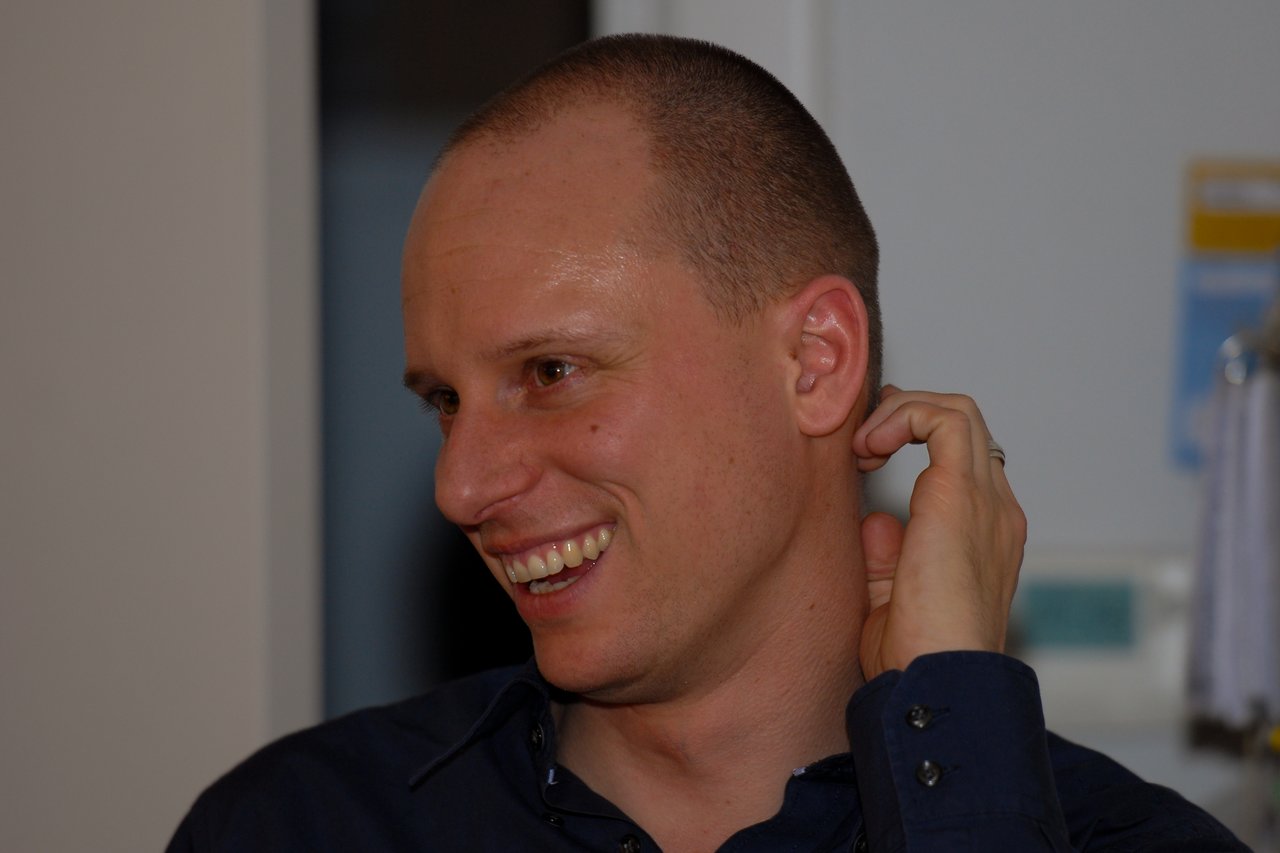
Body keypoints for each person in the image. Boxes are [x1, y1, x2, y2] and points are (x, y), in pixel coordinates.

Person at [168, 34, 1244, 851]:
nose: (460, 484)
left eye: (550, 373)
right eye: (444, 399)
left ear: (813, 362)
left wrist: (952, 754)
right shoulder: (301, 824)